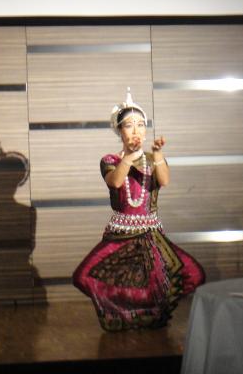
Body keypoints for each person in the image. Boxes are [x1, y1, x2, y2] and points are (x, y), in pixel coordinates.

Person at [72, 88, 205, 331]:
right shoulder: (110, 160)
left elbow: (164, 181)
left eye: (141, 125)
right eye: (129, 125)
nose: (136, 130)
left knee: (194, 274)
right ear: (119, 131)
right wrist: (130, 157)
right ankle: (126, 314)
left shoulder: (153, 160)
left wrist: (158, 154)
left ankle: (147, 315)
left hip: (151, 236)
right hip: (120, 235)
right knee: (83, 277)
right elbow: (114, 182)